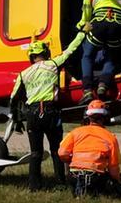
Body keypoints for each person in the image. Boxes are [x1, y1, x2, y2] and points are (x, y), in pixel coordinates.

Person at [10, 26, 88, 191]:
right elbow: (71, 50)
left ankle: (34, 186)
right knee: (56, 150)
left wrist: (17, 120)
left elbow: (13, 99)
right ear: (45, 53)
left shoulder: (23, 74)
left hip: (32, 115)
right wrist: (83, 32)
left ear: (31, 57)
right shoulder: (53, 65)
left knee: (36, 153)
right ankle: (60, 183)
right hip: (51, 112)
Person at [58, 99, 121, 198]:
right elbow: (113, 167)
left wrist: (71, 161)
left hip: (74, 176)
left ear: (88, 116)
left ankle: (79, 194)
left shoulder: (75, 132)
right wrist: (117, 183)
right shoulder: (110, 137)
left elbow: (62, 153)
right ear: (105, 117)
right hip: (96, 178)